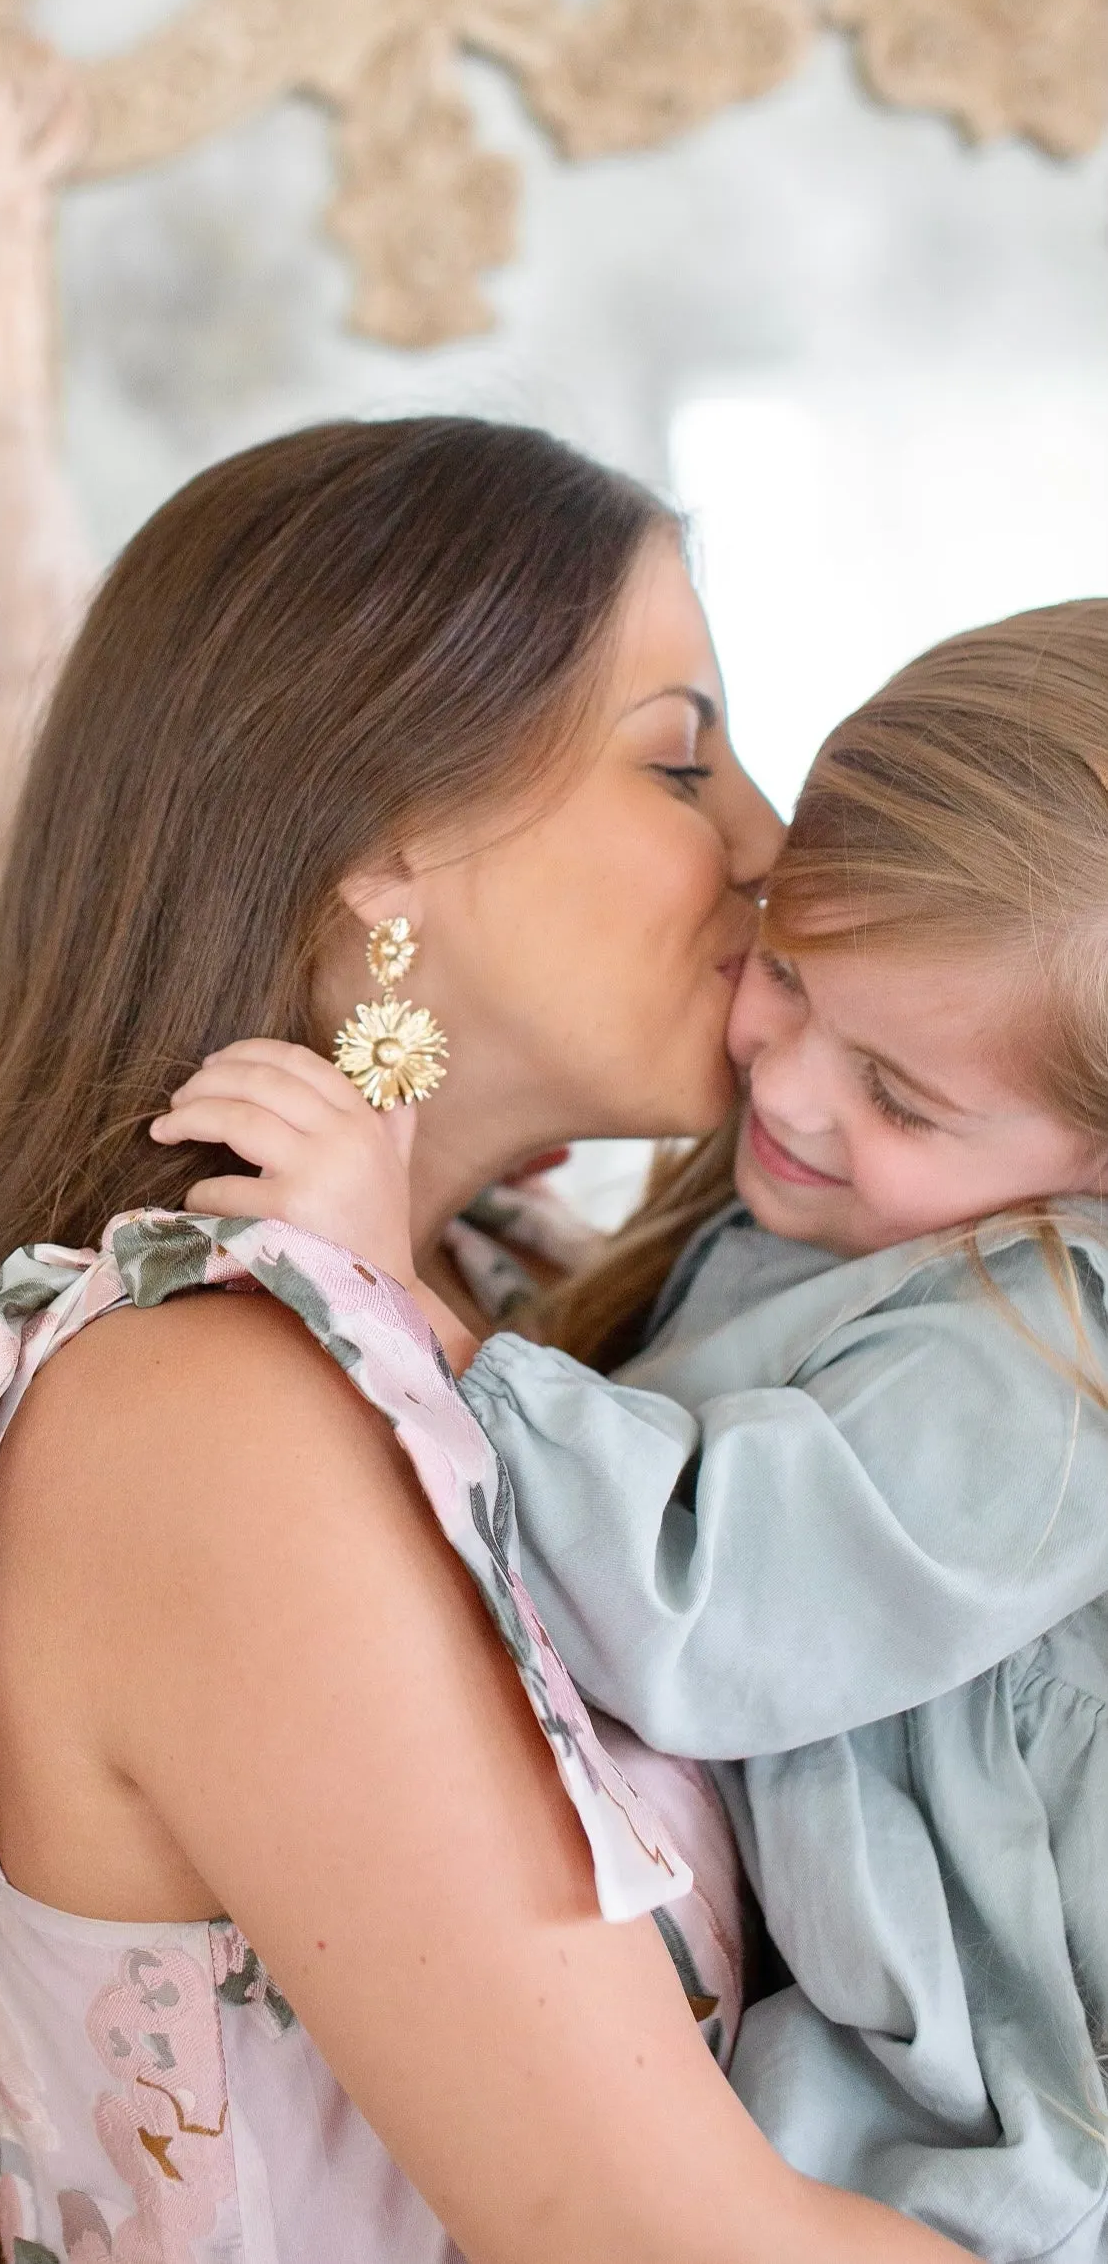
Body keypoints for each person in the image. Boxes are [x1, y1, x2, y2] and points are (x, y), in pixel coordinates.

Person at [0, 416, 961, 2264]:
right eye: (680, 761)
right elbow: (647, 2232)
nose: (769, 846)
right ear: (388, 841)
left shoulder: (496, 1298)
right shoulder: (202, 1406)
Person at [173, 601, 1108, 2259]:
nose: (794, 1085)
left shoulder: (1046, 1346)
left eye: (902, 1098)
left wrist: (406, 1305)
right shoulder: (819, 1241)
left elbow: (701, 1601)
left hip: (981, 2160)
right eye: (788, 975)